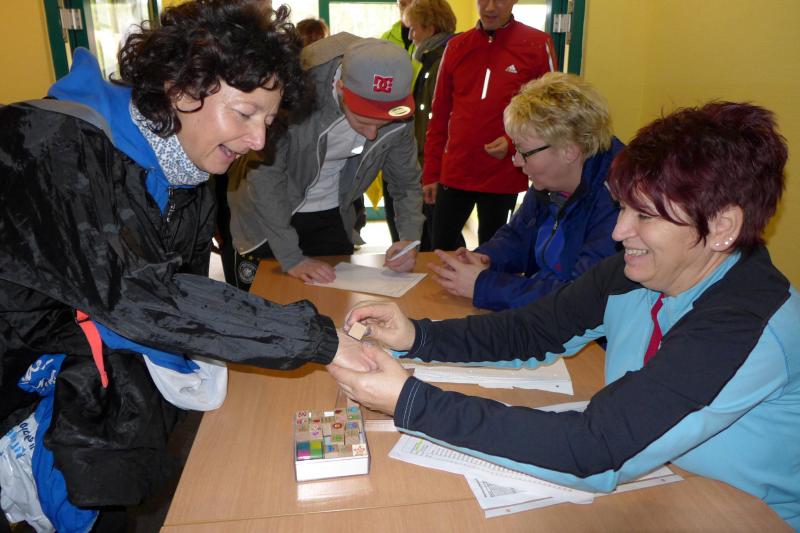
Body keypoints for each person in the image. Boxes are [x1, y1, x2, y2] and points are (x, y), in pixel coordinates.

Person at [330, 102, 800, 528]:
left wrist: (410, 400)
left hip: (744, 515)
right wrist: (417, 337)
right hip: (665, 485)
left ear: (722, 227)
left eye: (645, 216)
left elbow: (594, 448)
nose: (619, 231)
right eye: (622, 208)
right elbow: (531, 331)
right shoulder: (637, 273)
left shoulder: (748, 323)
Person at [0, 1, 372, 527]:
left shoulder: (188, 169)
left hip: (55, 375)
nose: (259, 141)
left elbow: (184, 294)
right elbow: (143, 297)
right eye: (244, 113)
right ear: (180, 87)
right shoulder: (55, 148)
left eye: (269, 121)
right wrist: (319, 339)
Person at [226, 35, 425, 288]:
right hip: (267, 219)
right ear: (341, 88)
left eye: (382, 124)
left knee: (333, 302)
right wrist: (292, 258)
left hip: (333, 215)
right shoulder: (293, 93)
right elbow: (265, 177)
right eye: (363, 121)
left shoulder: (399, 112)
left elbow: (406, 183)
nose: (372, 134)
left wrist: (409, 239)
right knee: (265, 299)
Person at [430, 73, 622, 310]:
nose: (516, 161)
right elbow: (518, 237)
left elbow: (580, 298)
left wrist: (484, 285)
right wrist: (485, 258)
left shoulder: (618, 200)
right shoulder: (551, 180)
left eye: (524, 152)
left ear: (569, 151)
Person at [423, 0, 557, 250]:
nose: (490, 8)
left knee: (494, 252)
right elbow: (439, 115)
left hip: (503, 172)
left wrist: (511, 143)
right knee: (441, 249)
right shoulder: (457, 46)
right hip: (456, 170)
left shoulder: (537, 44)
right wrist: (431, 173)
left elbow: (549, 110)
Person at [402, 0, 457, 251]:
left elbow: (437, 121)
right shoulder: (429, 61)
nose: (410, 36)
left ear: (430, 28)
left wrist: (429, 170)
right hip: (430, 163)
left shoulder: (441, 62)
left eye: (413, 29)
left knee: (439, 237)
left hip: (437, 166)